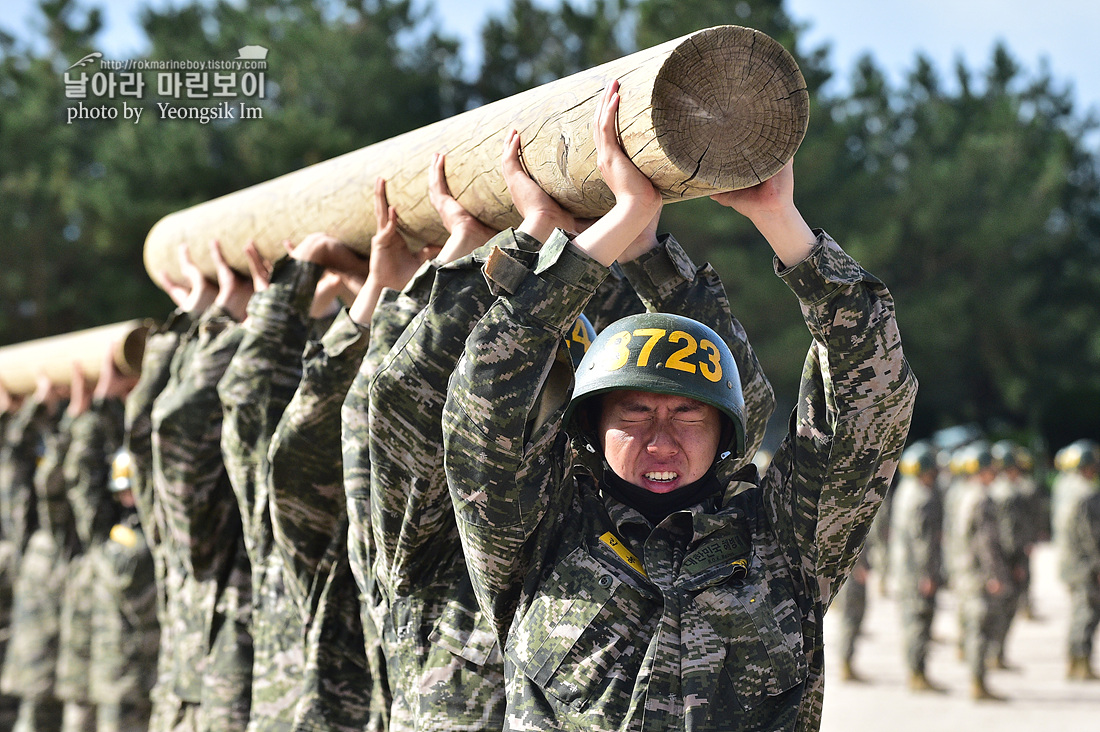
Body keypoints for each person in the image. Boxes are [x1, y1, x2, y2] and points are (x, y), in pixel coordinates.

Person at [442, 80, 917, 730]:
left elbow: (871, 398)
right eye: (634, 413)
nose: (662, 439)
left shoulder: (782, 544)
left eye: (689, 414)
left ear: (725, 429)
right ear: (593, 427)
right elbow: (483, 402)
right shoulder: (536, 536)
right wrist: (605, 234)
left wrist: (780, 219)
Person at [150, 240, 255, 730]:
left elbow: (168, 419)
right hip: (196, 701)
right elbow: (168, 421)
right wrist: (210, 319)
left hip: (203, 700)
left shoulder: (201, 525)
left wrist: (211, 318)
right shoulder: (199, 530)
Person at [950, 442, 1011, 700]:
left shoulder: (964, 493)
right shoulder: (983, 499)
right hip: (979, 575)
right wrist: (995, 575)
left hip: (965, 572)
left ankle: (978, 681)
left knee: (973, 626)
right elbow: (986, 543)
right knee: (981, 629)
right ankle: (978, 683)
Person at [889, 440, 945, 692]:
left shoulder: (905, 491)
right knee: (920, 621)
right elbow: (925, 543)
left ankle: (914, 671)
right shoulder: (924, 498)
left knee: (910, 620)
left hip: (904, 570)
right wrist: (928, 574)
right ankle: (917, 674)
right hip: (917, 571)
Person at [1052, 439, 1100, 680]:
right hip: (1086, 566)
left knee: (1078, 612)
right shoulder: (1088, 494)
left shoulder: (1064, 488)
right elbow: (1092, 536)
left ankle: (1073, 661)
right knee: (1087, 614)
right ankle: (1082, 664)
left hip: (1069, 563)